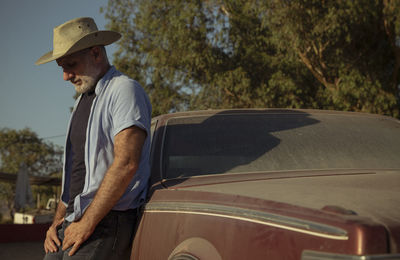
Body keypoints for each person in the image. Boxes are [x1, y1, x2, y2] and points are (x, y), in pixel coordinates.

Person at [35, 17, 152, 259]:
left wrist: (87, 223)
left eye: (71, 64)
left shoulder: (124, 90)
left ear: (96, 53)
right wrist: (55, 224)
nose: (65, 76)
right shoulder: (82, 103)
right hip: (74, 221)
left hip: (107, 222)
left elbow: (127, 163)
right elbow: (76, 176)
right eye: (61, 67)